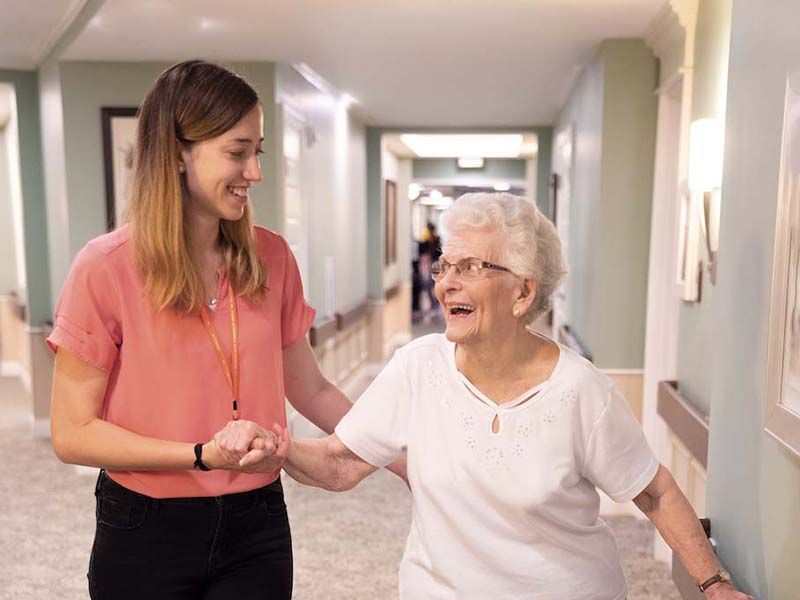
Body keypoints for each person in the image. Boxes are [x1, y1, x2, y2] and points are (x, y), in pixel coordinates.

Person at [232, 193, 753, 599]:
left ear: (524, 292)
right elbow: (341, 464)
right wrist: (283, 450)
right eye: (444, 266)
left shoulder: (580, 390)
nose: (445, 285)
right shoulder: (418, 369)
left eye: (471, 268)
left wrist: (714, 585)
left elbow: (654, 490)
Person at [47, 59, 404, 600]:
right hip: (144, 525)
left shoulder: (272, 257)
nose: (254, 172)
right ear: (176, 154)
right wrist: (200, 455)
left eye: (256, 151)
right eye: (237, 152)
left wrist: (406, 459)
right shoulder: (105, 267)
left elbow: (311, 388)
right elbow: (73, 433)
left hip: (255, 520)